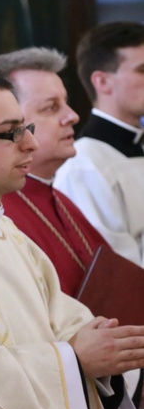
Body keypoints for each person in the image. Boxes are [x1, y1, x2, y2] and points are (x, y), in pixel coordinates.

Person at [0, 68, 144, 409]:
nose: (31, 144)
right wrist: (73, 361)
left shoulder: (7, 232)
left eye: (28, 129)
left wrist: (105, 346)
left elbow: (70, 320)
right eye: (12, 132)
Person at [0, 47, 109, 296]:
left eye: (66, 103)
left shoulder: (61, 200)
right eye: (51, 108)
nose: (72, 116)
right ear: (11, 121)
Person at [55, 22, 144, 267]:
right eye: (142, 70)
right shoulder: (84, 164)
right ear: (102, 82)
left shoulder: (137, 147)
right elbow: (116, 269)